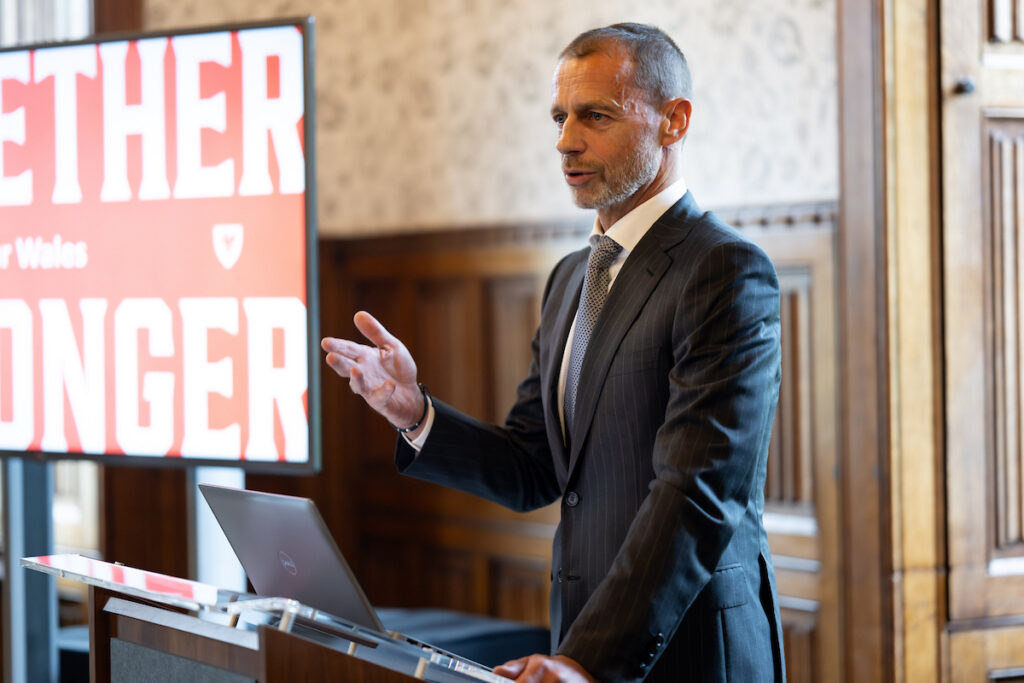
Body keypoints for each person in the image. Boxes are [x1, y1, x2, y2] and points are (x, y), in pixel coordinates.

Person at [323, 23, 785, 683]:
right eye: (560, 117)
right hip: (580, 643)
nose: (566, 140)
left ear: (673, 121)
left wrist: (584, 659)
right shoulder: (572, 276)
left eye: (595, 116)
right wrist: (413, 413)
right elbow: (533, 466)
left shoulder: (726, 269)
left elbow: (697, 492)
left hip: (691, 652)